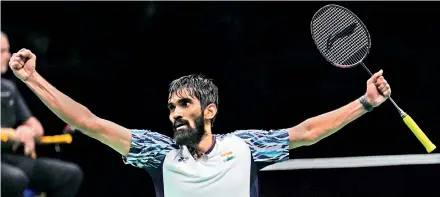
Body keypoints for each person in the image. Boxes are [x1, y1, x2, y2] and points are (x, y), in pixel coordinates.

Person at [8, 48, 391, 197]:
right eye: (171, 107)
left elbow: (308, 132)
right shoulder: (156, 152)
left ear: (209, 111)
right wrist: (32, 79)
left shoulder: (245, 146)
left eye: (185, 104)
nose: (175, 113)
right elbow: (89, 122)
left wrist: (366, 103)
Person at [1, 32, 83, 197]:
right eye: (2, 51)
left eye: (8, 50)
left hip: (10, 156)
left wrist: (28, 131)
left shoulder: (8, 88)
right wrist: (14, 134)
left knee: (69, 175)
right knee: (15, 179)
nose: (9, 56)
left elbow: (36, 126)